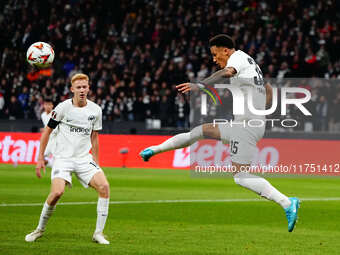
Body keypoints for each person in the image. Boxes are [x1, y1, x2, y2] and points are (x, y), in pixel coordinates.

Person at [140, 34, 300, 232]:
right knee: (200, 131)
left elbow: (227, 72)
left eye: (215, 54)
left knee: (241, 176)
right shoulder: (250, 61)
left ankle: (287, 203)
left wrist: (200, 85)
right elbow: (268, 89)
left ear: (226, 50)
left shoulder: (237, 59)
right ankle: (154, 150)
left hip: (247, 126)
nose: (214, 59)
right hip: (245, 123)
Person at [25, 73, 110, 244]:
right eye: (78, 87)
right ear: (72, 89)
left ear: (88, 88)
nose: (82, 90)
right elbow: (47, 132)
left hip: (84, 159)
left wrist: (97, 162)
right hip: (63, 158)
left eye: (84, 87)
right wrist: (40, 158)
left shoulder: (95, 110)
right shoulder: (62, 108)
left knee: (104, 186)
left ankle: (98, 233)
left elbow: (94, 137)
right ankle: (39, 229)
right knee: (57, 192)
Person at [40, 97, 56, 167]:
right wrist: (44, 129)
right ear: (43, 105)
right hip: (49, 139)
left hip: (56, 139)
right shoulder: (43, 115)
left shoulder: (55, 114)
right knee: (41, 156)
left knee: (58, 158)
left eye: (49, 105)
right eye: (46, 104)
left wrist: (46, 129)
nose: (48, 106)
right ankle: (49, 163)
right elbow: (46, 126)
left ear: (52, 106)